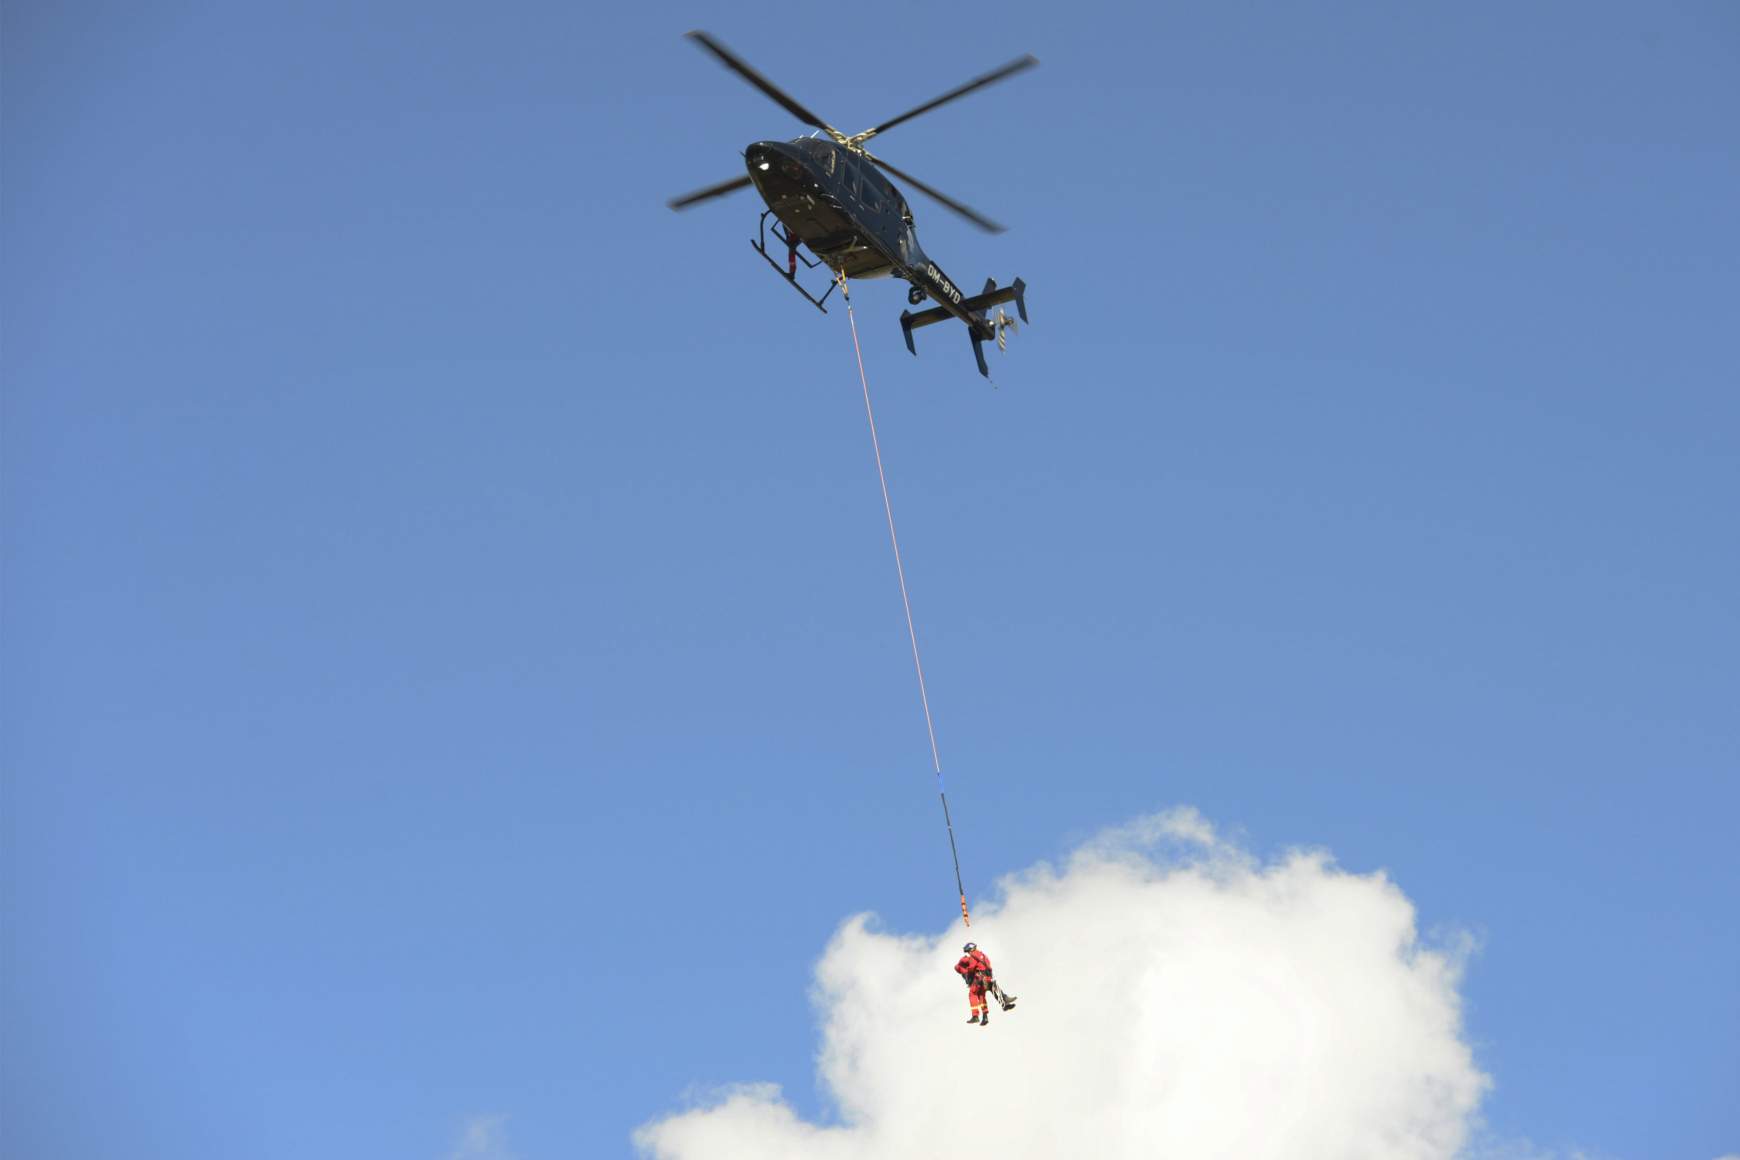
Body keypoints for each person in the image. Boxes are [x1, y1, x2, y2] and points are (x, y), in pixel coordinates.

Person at [954, 942, 1017, 1025]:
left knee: (972, 994)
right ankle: (1000, 1006)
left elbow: (971, 967)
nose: (968, 953)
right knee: (985, 994)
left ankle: (975, 1016)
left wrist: (969, 975)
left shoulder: (972, 956)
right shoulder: (983, 955)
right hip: (988, 977)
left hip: (979, 979)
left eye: (968, 951)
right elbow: (989, 966)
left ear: (970, 950)